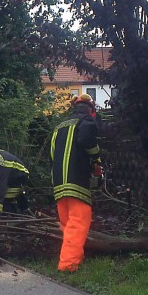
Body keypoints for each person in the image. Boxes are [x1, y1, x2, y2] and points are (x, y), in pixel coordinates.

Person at [50, 93, 102, 272]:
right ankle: (68, 265)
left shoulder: (59, 126)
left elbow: (52, 154)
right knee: (79, 221)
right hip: (77, 179)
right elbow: (87, 140)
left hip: (58, 182)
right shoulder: (86, 121)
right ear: (90, 109)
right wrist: (96, 158)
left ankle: (76, 257)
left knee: (68, 224)